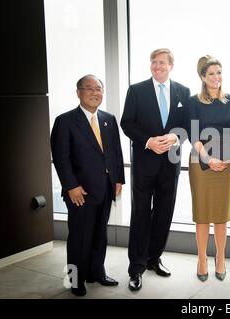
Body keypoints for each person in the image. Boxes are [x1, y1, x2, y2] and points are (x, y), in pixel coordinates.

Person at [121, 48, 191, 291]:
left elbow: (187, 126)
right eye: (153, 62)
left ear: (171, 65)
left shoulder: (183, 91)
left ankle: (154, 259)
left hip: (170, 163)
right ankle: (136, 268)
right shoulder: (136, 90)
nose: (157, 66)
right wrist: (149, 141)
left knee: (164, 212)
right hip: (144, 162)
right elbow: (126, 122)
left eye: (162, 63)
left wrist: (173, 138)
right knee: (140, 213)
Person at [51, 75, 125, 297]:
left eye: (99, 89)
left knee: (99, 235)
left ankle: (96, 272)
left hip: (105, 188)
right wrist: (71, 186)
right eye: (89, 88)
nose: (95, 92)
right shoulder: (65, 121)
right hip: (80, 192)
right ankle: (75, 279)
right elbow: (61, 157)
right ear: (79, 93)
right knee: (79, 238)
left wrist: (118, 179)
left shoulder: (108, 119)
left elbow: (115, 153)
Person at [188, 55, 230, 282]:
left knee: (221, 215)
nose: (216, 77)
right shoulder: (193, 102)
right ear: (202, 76)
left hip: (227, 162)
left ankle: (220, 259)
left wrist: (229, 157)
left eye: (219, 72)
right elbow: (193, 135)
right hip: (201, 161)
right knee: (202, 215)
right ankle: (202, 260)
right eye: (211, 73)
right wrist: (208, 159)